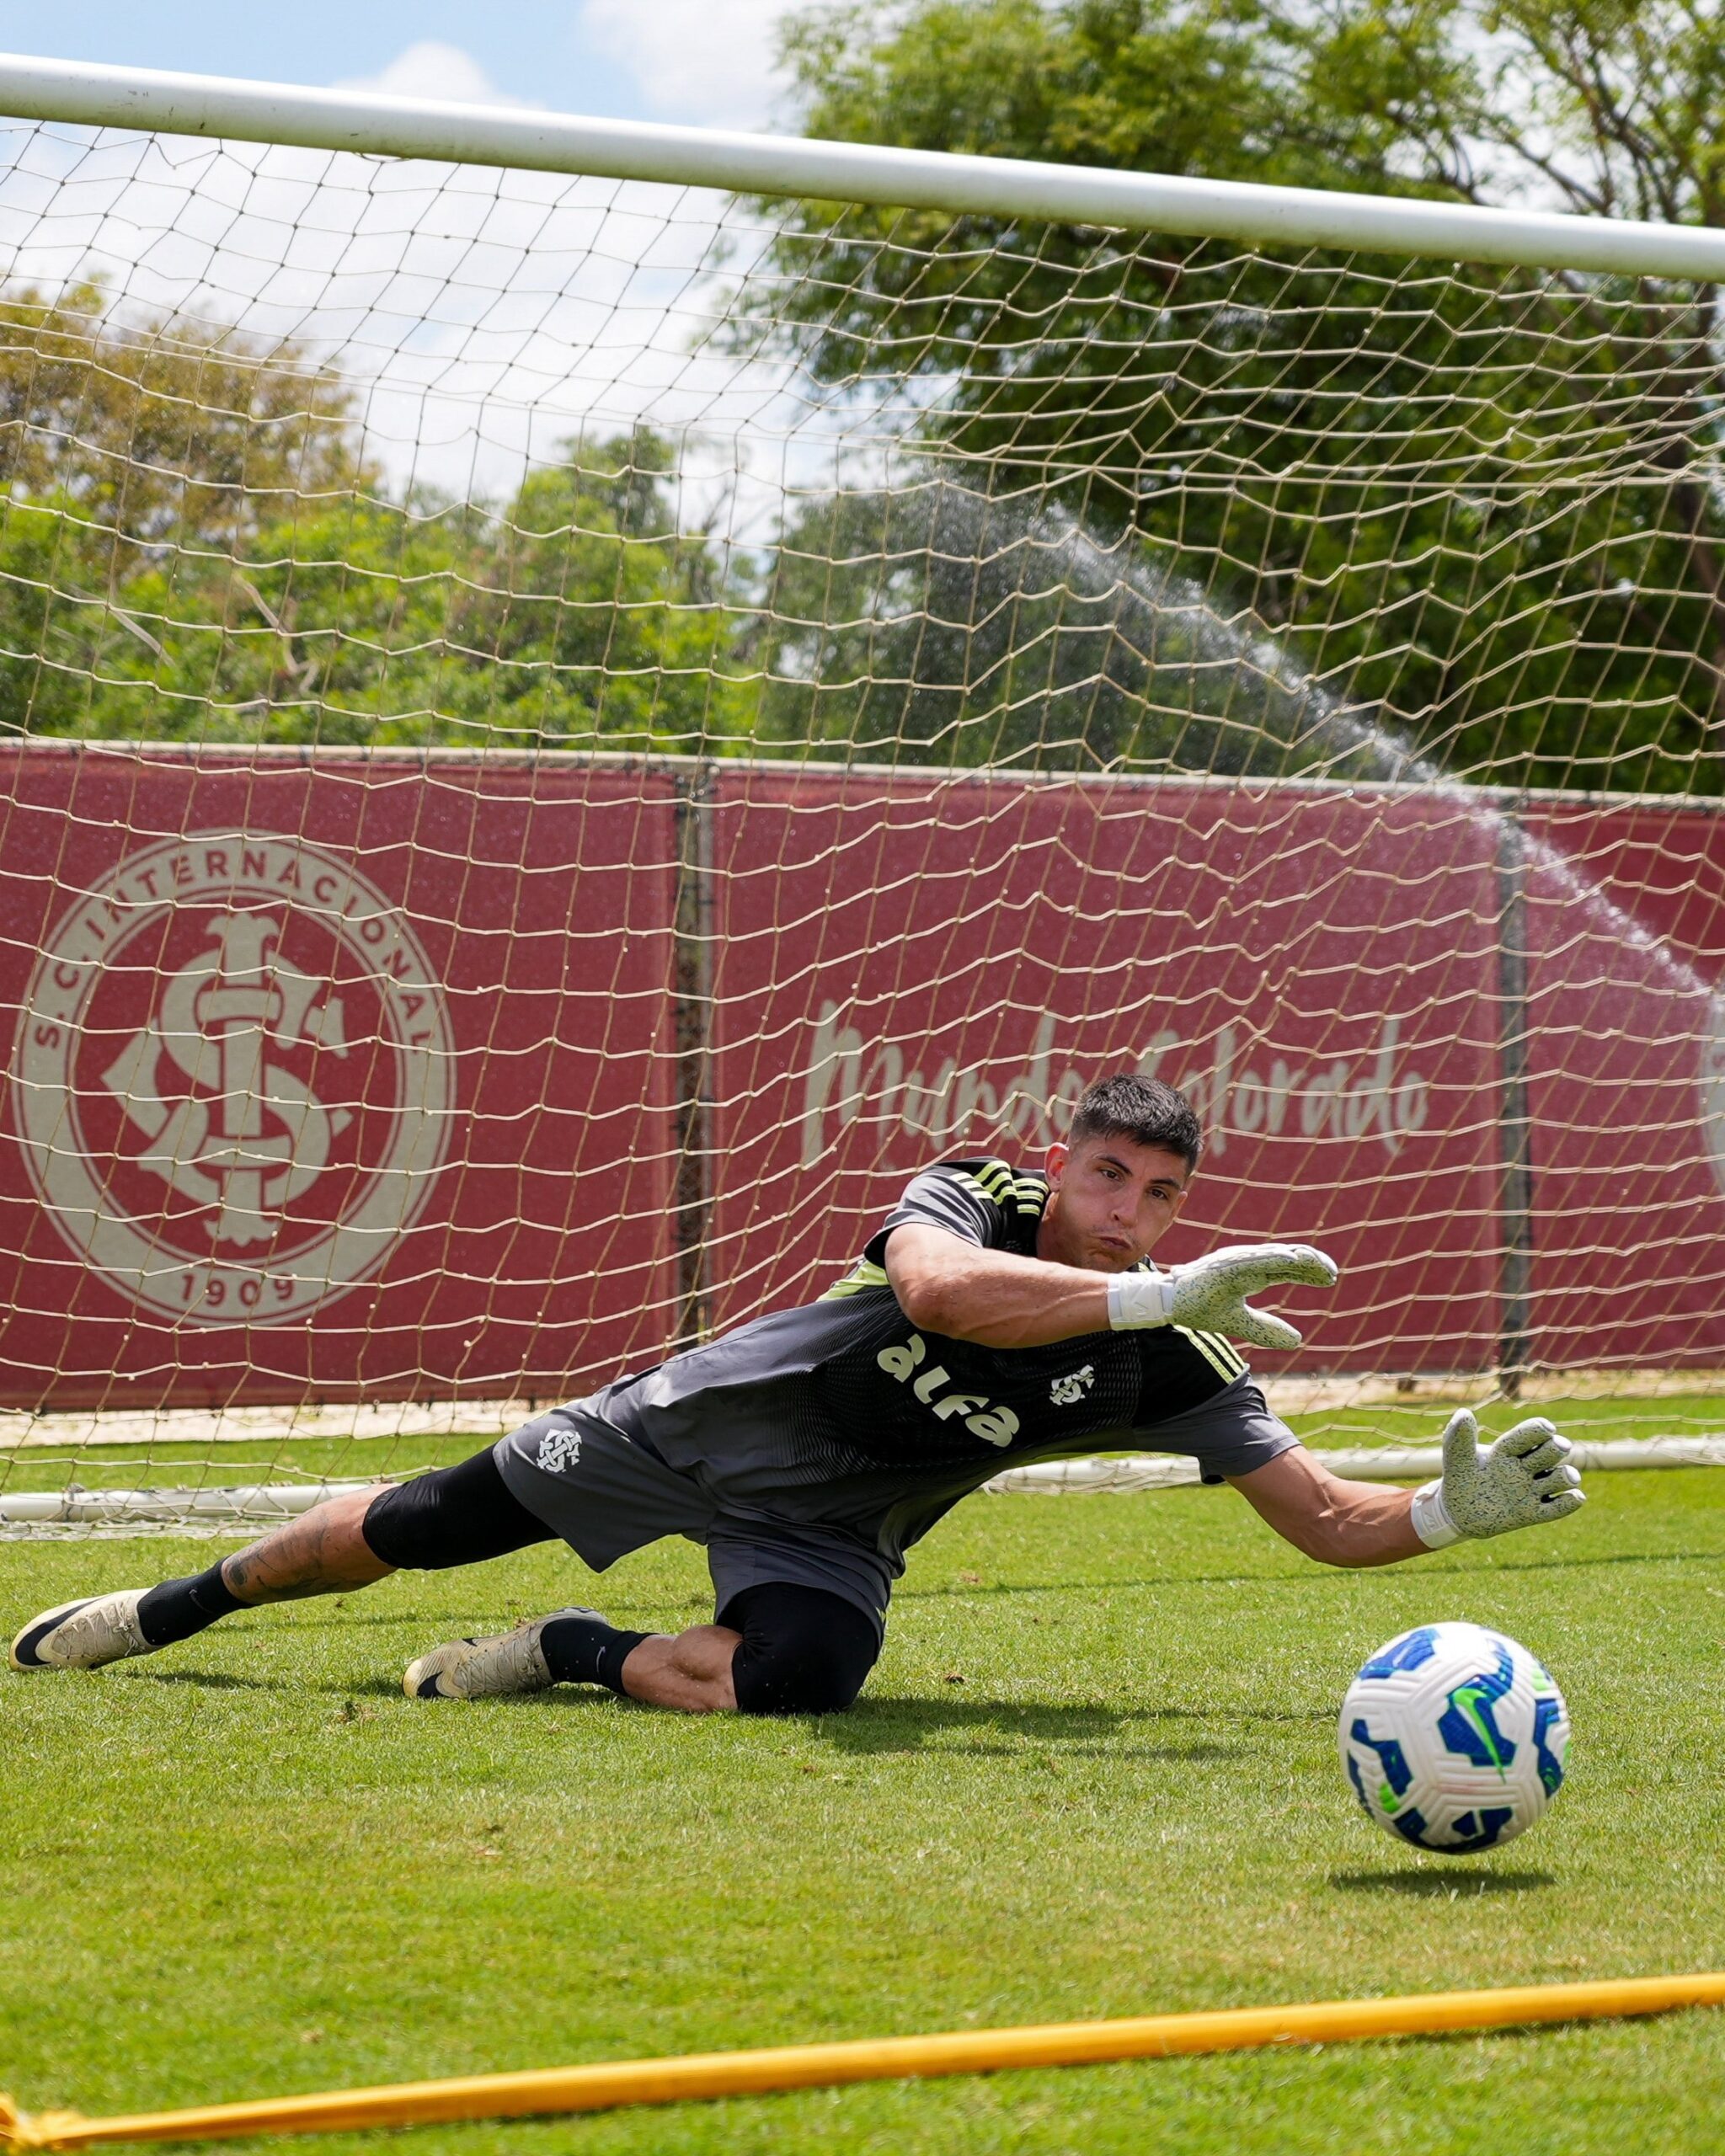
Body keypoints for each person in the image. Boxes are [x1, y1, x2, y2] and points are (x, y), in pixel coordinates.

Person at [10, 1074, 1583, 1713]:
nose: (1129, 1210)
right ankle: (166, 1611)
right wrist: (1151, 1292)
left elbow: (1326, 1520)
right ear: (1060, 1163)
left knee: (809, 1678)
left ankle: (570, 1648)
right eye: (1110, 1175)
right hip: (691, 1426)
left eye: (1161, 1195)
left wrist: (1449, 1517)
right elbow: (939, 1297)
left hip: (830, 1529)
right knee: (417, 1527)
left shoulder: (1178, 1346)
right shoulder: (975, 1194)